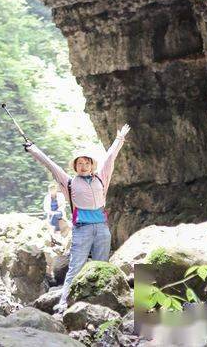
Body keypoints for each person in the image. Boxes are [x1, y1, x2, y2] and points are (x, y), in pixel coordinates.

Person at [24, 124, 130, 313]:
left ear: (91, 165)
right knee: (75, 266)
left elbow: (110, 157)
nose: (83, 166)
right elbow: (50, 165)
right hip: (82, 229)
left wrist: (119, 138)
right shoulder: (70, 183)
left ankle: (101, 304)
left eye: (86, 163)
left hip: (102, 228)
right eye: (79, 163)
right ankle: (64, 303)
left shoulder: (101, 178)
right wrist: (33, 149)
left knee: (101, 266)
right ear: (75, 166)